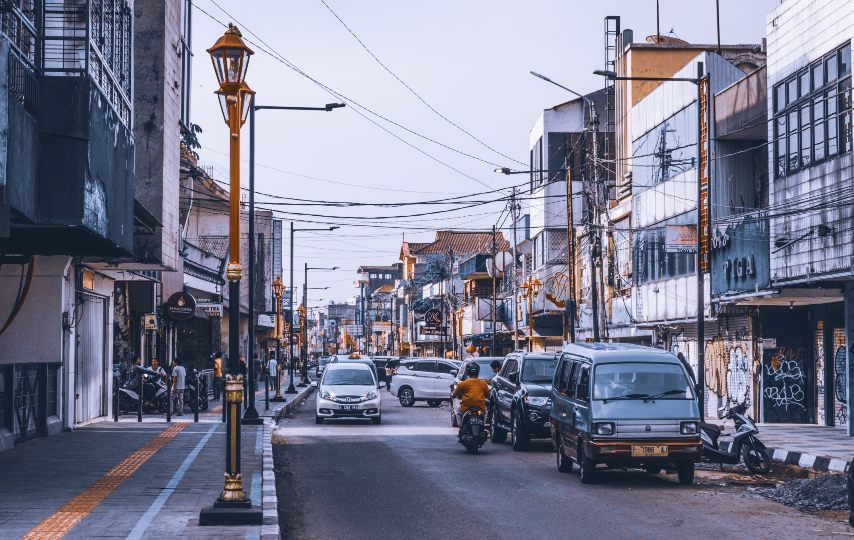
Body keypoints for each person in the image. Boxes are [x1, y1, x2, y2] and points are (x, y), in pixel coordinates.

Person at [452, 362, 490, 435]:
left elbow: (454, 394)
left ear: (467, 372)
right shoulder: (483, 383)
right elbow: (488, 394)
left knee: (458, 413)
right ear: (478, 372)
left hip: (466, 408)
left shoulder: (462, 384)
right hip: (480, 408)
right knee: (485, 413)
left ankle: (461, 429)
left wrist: (453, 395)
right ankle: (483, 427)